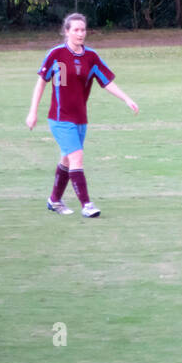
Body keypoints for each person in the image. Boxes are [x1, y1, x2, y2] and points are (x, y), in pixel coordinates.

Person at [25, 13, 138, 217]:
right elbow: (41, 82)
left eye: (83, 30)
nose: (80, 33)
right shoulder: (56, 54)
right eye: (75, 30)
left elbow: (107, 82)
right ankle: (87, 205)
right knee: (77, 157)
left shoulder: (91, 57)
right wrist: (33, 112)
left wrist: (126, 98)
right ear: (66, 31)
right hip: (60, 119)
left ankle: (54, 200)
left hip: (80, 119)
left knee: (67, 161)